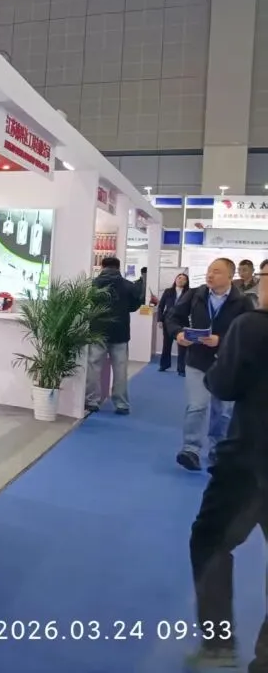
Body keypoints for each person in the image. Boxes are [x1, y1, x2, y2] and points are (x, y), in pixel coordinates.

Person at [185, 261, 268, 671]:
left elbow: (224, 384)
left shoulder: (252, 325)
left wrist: (220, 364)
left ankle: (218, 645)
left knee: (210, 540)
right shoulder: (202, 299)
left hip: (250, 461)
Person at [168, 258, 255, 471]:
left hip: (227, 364)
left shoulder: (242, 302)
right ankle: (190, 449)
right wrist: (178, 333)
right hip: (197, 360)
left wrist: (221, 340)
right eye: (209, 270)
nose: (210, 275)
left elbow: (248, 333)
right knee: (196, 405)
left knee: (223, 411)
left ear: (230, 276)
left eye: (216, 271)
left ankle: (218, 449)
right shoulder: (195, 295)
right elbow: (173, 317)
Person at [84, 256, 146, 415]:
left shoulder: (93, 284)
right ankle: (121, 403)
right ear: (118, 267)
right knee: (120, 369)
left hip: (98, 331)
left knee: (94, 367)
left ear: (102, 266)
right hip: (120, 332)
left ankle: (92, 401)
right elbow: (134, 306)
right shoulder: (128, 285)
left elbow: (87, 305)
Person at [157, 273, 191, 375]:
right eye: (179, 278)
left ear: (186, 282)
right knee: (166, 344)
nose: (181, 280)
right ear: (175, 279)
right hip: (168, 320)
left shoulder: (189, 293)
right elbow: (161, 306)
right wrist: (160, 320)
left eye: (184, 279)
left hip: (182, 320)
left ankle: (181, 369)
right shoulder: (168, 291)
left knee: (182, 345)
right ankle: (164, 365)